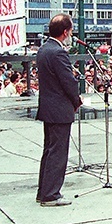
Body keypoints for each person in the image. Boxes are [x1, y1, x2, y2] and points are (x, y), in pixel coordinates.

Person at [36, 13, 83, 207]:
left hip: (48, 107)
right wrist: (77, 99)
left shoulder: (44, 49)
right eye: (71, 31)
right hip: (59, 109)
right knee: (58, 152)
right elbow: (68, 82)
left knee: (49, 150)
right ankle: (51, 195)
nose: (71, 34)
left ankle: (43, 190)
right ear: (65, 32)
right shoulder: (58, 52)